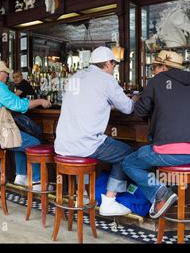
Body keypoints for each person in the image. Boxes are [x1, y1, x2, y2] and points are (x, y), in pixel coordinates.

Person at [122, 50, 190, 219]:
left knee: (128, 163)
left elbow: (140, 110)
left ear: (164, 67)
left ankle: (161, 192)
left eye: (154, 67)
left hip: (170, 153)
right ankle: (166, 201)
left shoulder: (157, 81)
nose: (153, 71)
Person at [55, 47, 138, 216]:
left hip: (63, 143)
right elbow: (128, 108)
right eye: (113, 64)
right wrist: (135, 98)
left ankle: (82, 194)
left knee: (86, 152)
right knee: (126, 153)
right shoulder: (107, 80)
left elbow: (87, 101)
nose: (114, 67)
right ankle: (109, 201)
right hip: (85, 143)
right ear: (107, 63)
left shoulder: (76, 76)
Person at [0, 60, 51, 189]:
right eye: (6, 73)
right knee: (34, 143)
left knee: (18, 140)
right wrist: (40, 101)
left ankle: (21, 177)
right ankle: (37, 182)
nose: (8, 76)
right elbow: (18, 105)